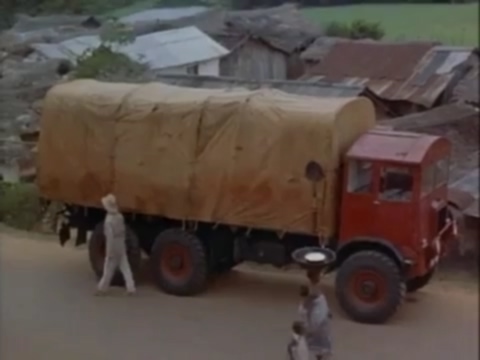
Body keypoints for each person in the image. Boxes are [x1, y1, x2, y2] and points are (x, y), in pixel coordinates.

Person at [95, 194, 136, 296]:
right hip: (121, 244)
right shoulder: (120, 216)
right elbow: (123, 231)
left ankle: (102, 288)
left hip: (113, 245)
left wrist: (109, 251)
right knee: (125, 267)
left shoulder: (108, 220)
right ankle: (131, 287)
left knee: (108, 268)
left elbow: (110, 237)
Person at [298, 278, 333, 360]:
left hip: (314, 327)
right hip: (319, 326)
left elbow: (304, 315)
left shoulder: (305, 304)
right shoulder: (319, 299)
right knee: (320, 344)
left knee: (314, 345)